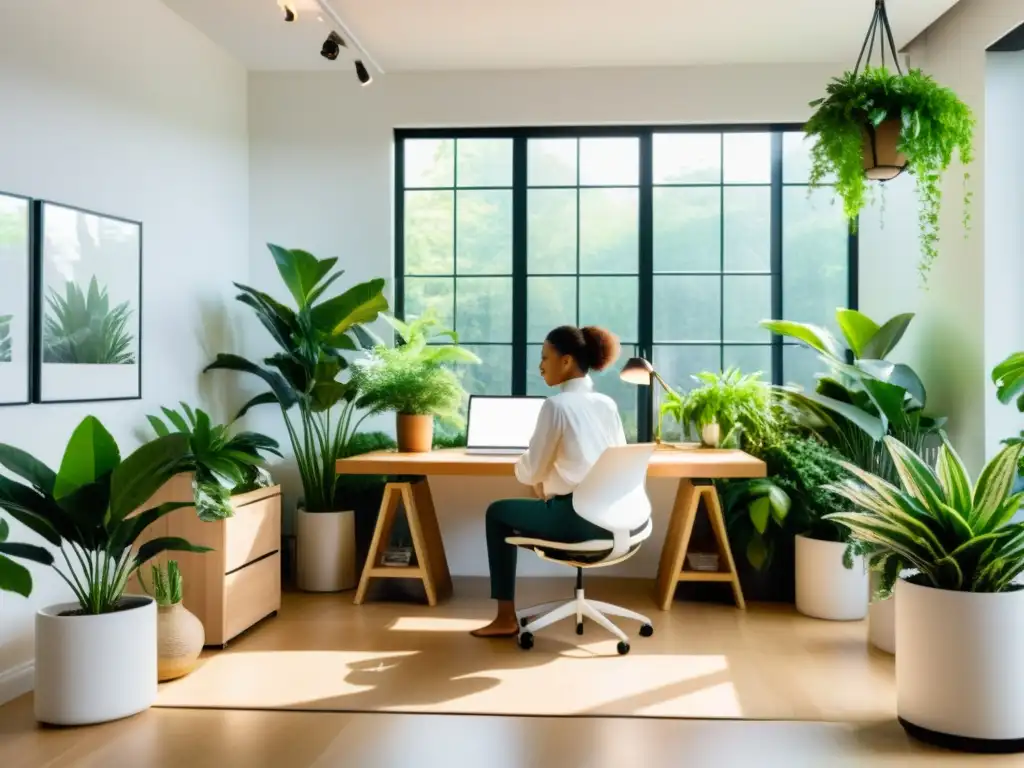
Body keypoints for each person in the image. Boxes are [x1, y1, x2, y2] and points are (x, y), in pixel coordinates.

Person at [470, 324, 626, 638]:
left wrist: (529, 470)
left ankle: (504, 618)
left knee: (497, 513)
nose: (540, 365)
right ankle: (504, 618)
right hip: (616, 523)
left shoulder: (556, 406)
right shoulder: (607, 405)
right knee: (541, 492)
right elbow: (616, 465)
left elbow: (530, 472)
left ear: (566, 361)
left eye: (545, 357)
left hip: (575, 523)